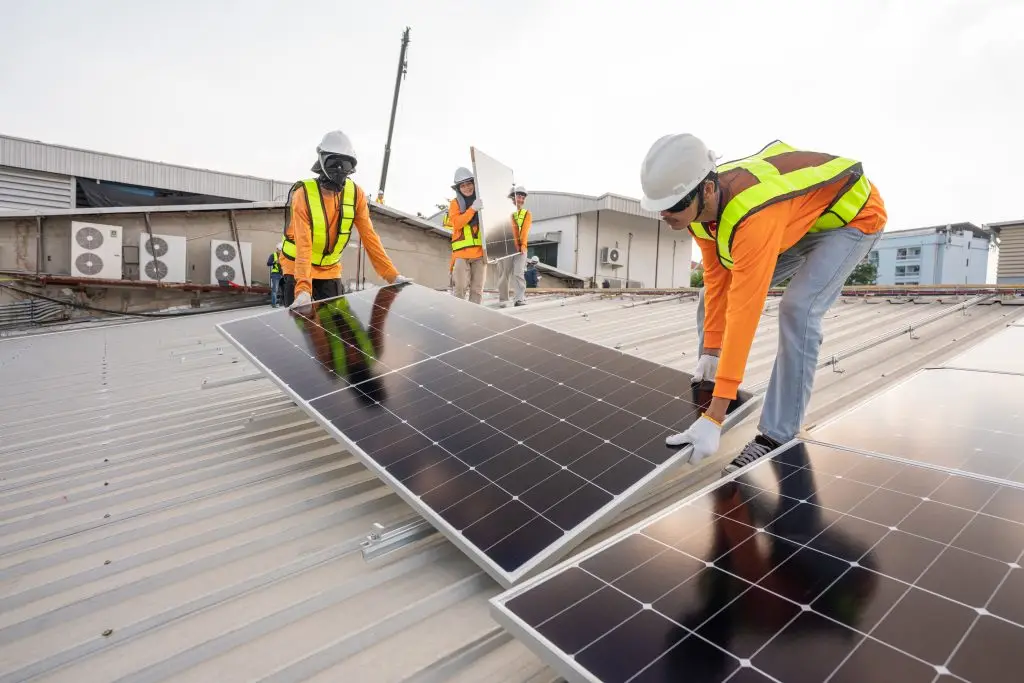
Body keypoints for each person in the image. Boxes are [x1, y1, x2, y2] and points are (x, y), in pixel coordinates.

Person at [638, 134, 886, 473]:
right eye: (660, 207)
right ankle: (714, 377)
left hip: (851, 219)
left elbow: (744, 310)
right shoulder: (698, 212)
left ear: (706, 190)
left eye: (675, 204)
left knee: (798, 307)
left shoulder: (752, 217)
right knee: (708, 298)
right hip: (799, 221)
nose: (667, 214)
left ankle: (777, 435)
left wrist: (716, 415)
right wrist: (711, 351)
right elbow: (715, 275)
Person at [280, 130, 411, 308]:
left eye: (346, 164)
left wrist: (392, 275)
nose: (340, 169)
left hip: (329, 269)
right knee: (299, 327)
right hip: (297, 265)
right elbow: (303, 244)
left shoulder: (356, 194)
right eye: (334, 163)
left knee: (335, 327)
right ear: (322, 160)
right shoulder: (303, 194)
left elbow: (369, 237)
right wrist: (303, 289)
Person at [448, 167, 486, 304]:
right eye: (462, 185)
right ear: (458, 188)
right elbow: (457, 223)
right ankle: (458, 319)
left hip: (480, 255)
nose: (467, 188)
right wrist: (472, 209)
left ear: (474, 184)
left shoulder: (483, 201)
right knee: (459, 289)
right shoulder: (455, 203)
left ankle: (474, 320)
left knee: (477, 291)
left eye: (469, 183)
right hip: (461, 255)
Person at [494, 185, 532, 307]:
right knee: (504, 274)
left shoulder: (526, 214)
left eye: (522, 197)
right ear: (511, 198)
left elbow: (525, 231)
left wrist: (523, 245)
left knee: (519, 273)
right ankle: (503, 299)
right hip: (505, 248)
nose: (520, 199)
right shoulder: (502, 212)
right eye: (518, 196)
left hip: (520, 248)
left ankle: (519, 299)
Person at [266, 241, 284, 307]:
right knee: (275, 290)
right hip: (275, 274)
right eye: (279, 250)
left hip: (283, 274)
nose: (280, 251)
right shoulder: (273, 255)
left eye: (281, 250)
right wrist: (275, 262)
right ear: (277, 249)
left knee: (284, 289)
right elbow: (268, 263)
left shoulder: (284, 256)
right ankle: (274, 304)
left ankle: (282, 303)